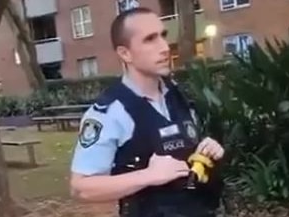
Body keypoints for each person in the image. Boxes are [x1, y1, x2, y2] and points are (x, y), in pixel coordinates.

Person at [69, 7, 225, 217]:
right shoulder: (110, 112)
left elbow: (183, 151)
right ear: (125, 53)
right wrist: (149, 176)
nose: (164, 47)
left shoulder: (177, 95)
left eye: (163, 36)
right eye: (150, 39)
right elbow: (81, 188)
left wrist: (206, 151)